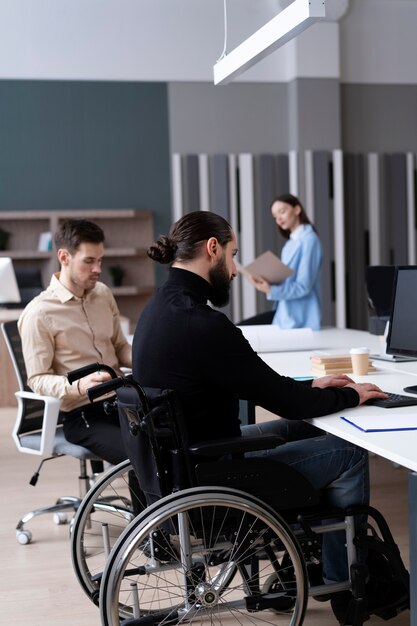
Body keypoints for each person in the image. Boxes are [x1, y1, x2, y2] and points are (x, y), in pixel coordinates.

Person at [132, 210, 388, 624]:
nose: (234, 270)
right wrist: (349, 394)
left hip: (184, 460)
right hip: (215, 471)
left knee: (298, 428)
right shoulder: (203, 323)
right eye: (232, 255)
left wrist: (310, 389)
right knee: (349, 452)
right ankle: (347, 587)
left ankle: (302, 557)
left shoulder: (157, 310)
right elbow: (280, 397)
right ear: (212, 249)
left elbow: (266, 386)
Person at [18, 218, 132, 467]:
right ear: (64, 257)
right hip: (83, 414)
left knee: (169, 445)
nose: (97, 268)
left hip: (122, 400)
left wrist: (150, 358)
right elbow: (37, 379)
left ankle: (161, 507)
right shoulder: (39, 312)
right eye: (89, 261)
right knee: (140, 457)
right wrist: (79, 385)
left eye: (100, 260)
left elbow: (120, 346)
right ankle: (148, 509)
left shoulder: (103, 294)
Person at [243, 193, 322, 329]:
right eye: (275, 216)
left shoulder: (310, 240)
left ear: (297, 209)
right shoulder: (289, 245)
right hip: (284, 314)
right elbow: (286, 280)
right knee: (242, 330)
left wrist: (271, 290)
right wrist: (264, 283)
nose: (279, 219)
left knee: (242, 331)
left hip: (301, 318)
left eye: (282, 212)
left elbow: (304, 286)